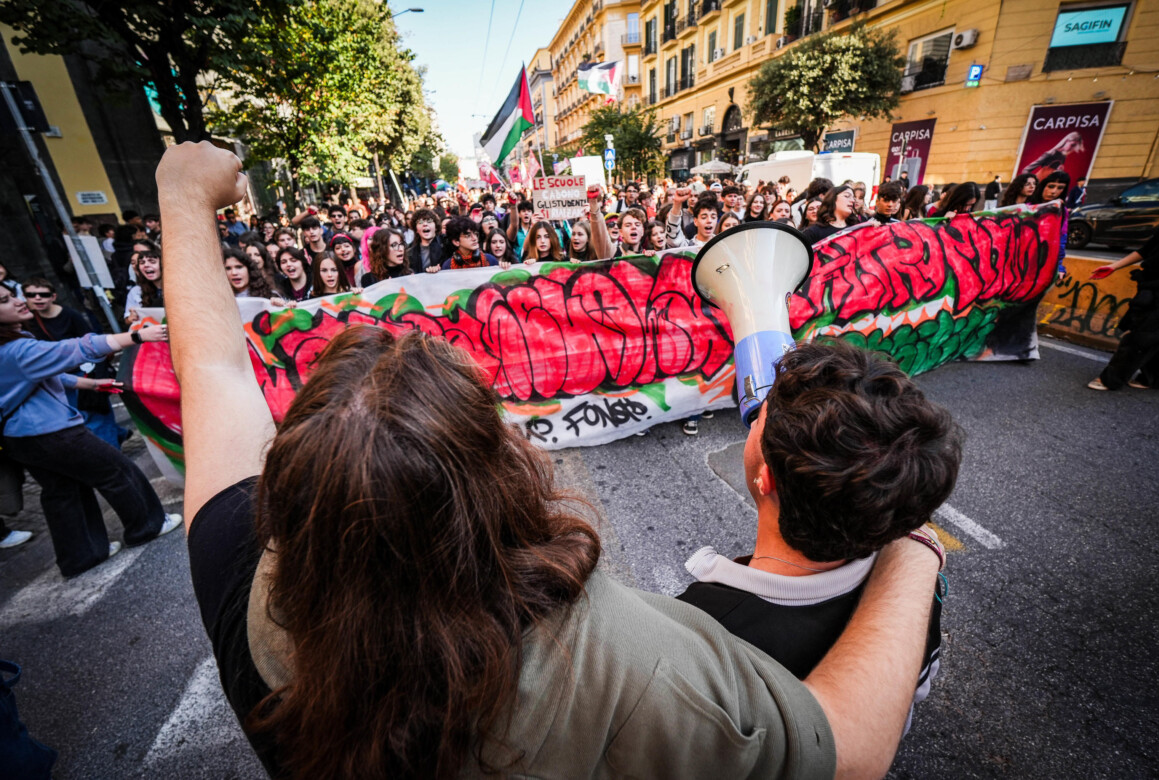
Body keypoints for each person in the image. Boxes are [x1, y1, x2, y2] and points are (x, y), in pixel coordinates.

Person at [158, 140, 949, 780]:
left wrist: (184, 200)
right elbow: (841, 748)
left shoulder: (241, 571)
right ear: (497, 475)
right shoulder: (626, 662)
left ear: (293, 491)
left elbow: (213, 374)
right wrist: (913, 546)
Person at [678, 342, 954, 731]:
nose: (754, 418)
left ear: (766, 478)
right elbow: (914, 691)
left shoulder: (698, 625)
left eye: (760, 420)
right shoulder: (915, 596)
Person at [0, 285, 181, 577]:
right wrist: (136, 337)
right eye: (5, 301)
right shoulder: (16, 349)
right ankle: (147, 526)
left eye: (11, 295)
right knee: (117, 471)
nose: (20, 301)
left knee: (62, 492)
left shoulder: (13, 345)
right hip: (50, 431)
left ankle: (81, 556)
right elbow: (76, 349)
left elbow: (44, 371)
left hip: (20, 436)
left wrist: (91, 384)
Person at [23, 276, 127, 449]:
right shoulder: (28, 321)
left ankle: (112, 454)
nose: (37, 298)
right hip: (59, 377)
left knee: (96, 416)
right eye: (31, 295)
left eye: (43, 294)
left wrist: (98, 375)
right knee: (81, 417)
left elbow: (93, 343)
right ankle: (119, 434)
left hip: (84, 371)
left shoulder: (71, 315)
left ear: (53, 296)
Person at [1088, 219, 1159, 390]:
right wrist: (1114, 266)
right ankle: (1155, 378)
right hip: (1152, 284)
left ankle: (1111, 379)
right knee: (1158, 335)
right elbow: (1148, 250)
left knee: (1141, 335)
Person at [124, 240, 164, 324]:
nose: (146, 265)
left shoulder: (176, 287)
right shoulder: (139, 291)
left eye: (152, 261)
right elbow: (128, 319)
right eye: (142, 262)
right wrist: (133, 316)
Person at [407, 209, 443, 274]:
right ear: (416, 230)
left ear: (436, 227)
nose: (425, 224)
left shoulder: (445, 244)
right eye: (420, 222)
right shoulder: (410, 253)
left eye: (429, 221)